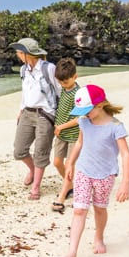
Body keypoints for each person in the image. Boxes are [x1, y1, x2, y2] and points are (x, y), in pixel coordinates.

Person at [57, 84, 129, 257]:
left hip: (105, 174)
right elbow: (79, 144)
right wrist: (70, 164)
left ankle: (98, 237)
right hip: (84, 170)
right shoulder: (84, 122)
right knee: (79, 209)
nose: (84, 114)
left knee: (99, 208)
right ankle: (72, 252)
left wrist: (125, 183)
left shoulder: (115, 126)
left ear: (99, 105)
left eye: (87, 110)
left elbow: (125, 154)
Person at [9, 37, 61, 200]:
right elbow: (25, 92)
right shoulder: (23, 70)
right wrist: (20, 109)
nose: (17, 55)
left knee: (41, 151)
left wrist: (60, 116)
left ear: (27, 53)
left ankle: (36, 187)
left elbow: (60, 90)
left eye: (18, 52)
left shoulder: (49, 69)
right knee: (19, 150)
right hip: (27, 112)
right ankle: (32, 170)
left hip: (45, 114)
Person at [51, 57, 80, 212]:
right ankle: (73, 185)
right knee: (57, 162)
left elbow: (80, 118)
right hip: (61, 133)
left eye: (66, 82)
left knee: (70, 165)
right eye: (60, 82)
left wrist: (62, 126)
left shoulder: (78, 93)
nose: (63, 84)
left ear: (75, 77)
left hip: (74, 134)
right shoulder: (63, 89)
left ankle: (62, 194)